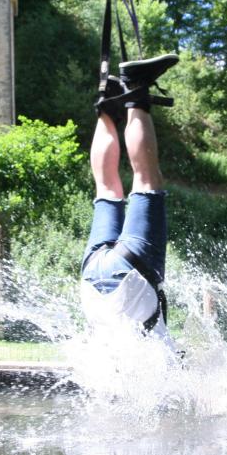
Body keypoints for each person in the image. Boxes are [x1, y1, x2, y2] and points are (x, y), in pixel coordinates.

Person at [78, 53, 181, 353]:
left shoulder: (157, 371)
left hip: (131, 275)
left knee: (147, 180)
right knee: (106, 187)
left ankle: (136, 89)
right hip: (91, 277)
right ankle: (107, 107)